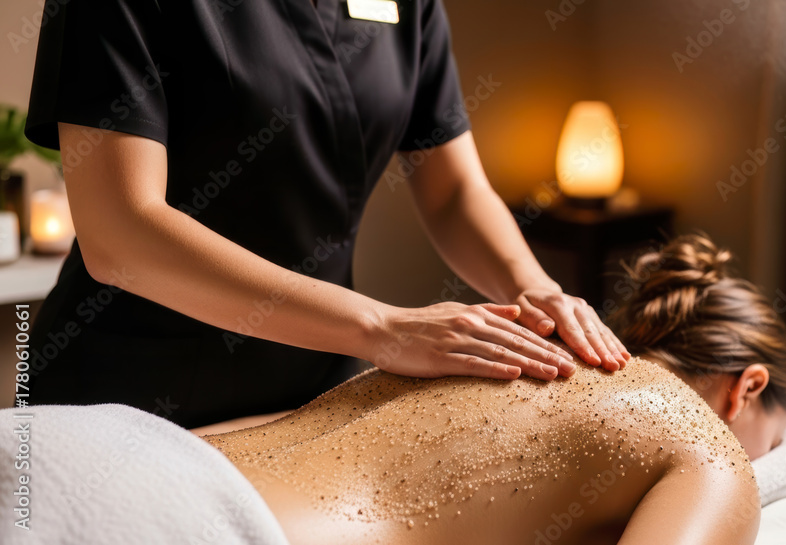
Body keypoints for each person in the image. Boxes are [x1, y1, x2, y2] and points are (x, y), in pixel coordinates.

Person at [21, 0, 628, 428]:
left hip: (321, 390)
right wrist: (384, 328)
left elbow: (453, 190)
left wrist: (534, 289)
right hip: (138, 392)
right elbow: (121, 231)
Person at [204, 234, 786, 544]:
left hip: (143, 451)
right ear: (746, 389)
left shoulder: (483, 348)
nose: (759, 460)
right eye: (770, 442)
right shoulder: (707, 450)